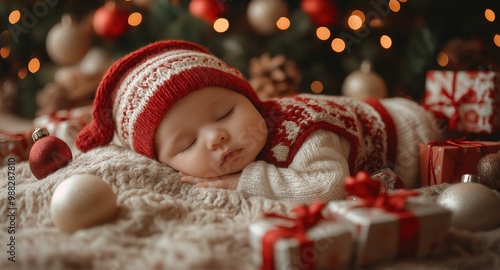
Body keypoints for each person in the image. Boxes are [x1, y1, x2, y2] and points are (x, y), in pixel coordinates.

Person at [76, 40, 443, 203]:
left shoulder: (304, 132)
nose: (216, 137)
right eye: (186, 145)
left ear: (251, 99)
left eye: (224, 114)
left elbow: (330, 186)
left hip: (413, 132)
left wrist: (247, 180)